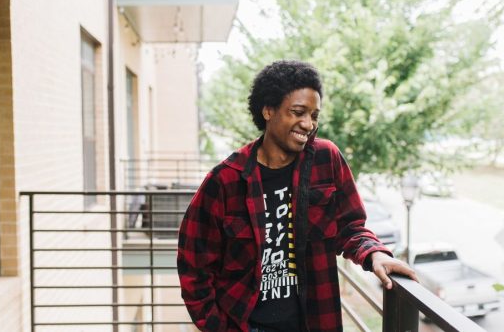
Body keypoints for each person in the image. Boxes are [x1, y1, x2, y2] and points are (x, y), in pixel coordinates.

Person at [177, 60, 418, 332]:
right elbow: (193, 265)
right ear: (268, 110)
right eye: (298, 112)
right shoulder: (225, 180)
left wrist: (375, 254)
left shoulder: (326, 160)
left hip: (314, 320)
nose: (308, 124)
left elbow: (350, 227)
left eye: (314, 115)